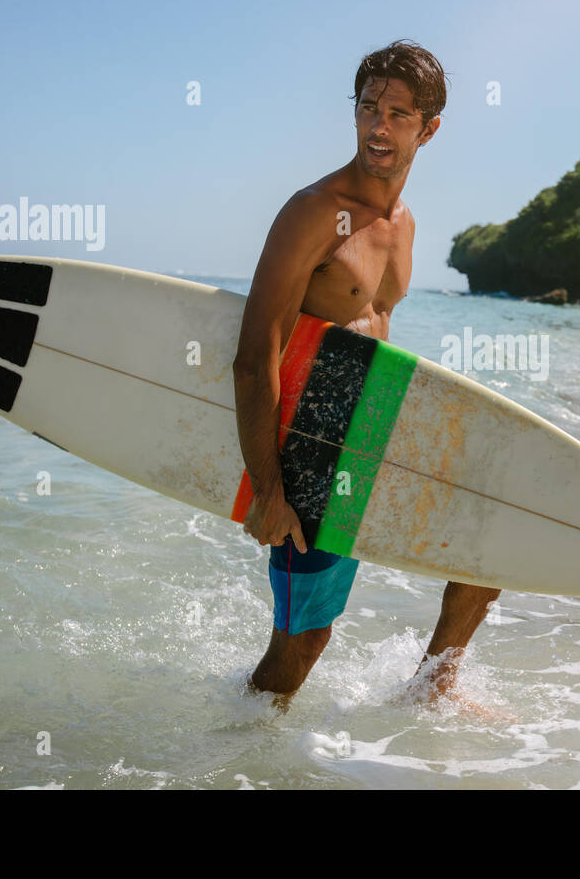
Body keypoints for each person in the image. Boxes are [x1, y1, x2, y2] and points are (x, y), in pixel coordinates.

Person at [233, 40, 500, 707]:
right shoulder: (313, 212)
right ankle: (242, 751)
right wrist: (268, 487)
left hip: (376, 413)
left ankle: (433, 692)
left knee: (486, 557)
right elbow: (253, 352)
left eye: (399, 114)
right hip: (315, 438)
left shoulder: (404, 225)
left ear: (429, 128)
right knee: (303, 643)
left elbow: (380, 334)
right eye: (368, 107)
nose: (379, 126)